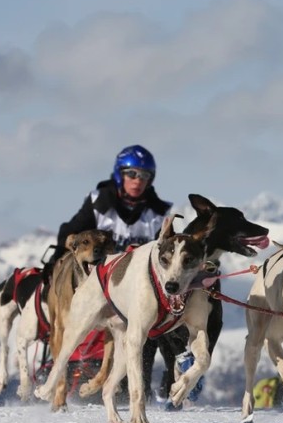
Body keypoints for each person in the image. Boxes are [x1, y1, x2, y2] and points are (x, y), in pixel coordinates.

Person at [40, 144, 188, 399]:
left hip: (136, 285)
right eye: (132, 174)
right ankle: (63, 379)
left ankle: (154, 384)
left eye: (144, 176)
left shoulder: (160, 212)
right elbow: (71, 233)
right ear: (120, 174)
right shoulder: (99, 202)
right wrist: (55, 262)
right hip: (96, 279)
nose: (138, 181)